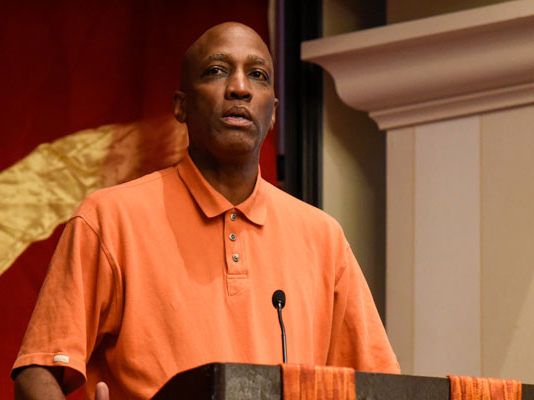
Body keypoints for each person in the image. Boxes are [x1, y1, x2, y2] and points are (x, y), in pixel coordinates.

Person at [12, 22, 399, 400]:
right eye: (217, 71)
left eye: (258, 75)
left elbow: (379, 385)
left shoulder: (322, 237)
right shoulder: (109, 218)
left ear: (274, 112)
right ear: (181, 106)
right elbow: (37, 371)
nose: (240, 88)